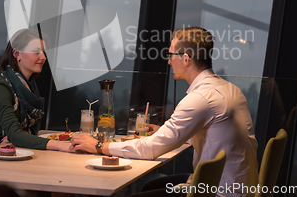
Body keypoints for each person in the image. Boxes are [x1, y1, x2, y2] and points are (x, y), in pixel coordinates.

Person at [71, 27, 258, 197]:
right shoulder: (230, 89)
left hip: (217, 192)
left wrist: (98, 146)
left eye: (171, 55)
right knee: (149, 187)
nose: (169, 61)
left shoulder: (201, 98)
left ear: (186, 58)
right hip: (237, 187)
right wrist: (162, 131)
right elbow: (215, 135)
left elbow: (151, 149)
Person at [0, 28, 72, 153]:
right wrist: (61, 145)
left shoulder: (28, 87)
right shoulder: (0, 87)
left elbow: (27, 131)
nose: (43, 57)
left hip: (13, 153)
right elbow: (15, 135)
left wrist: (21, 135)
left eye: (43, 52)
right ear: (17, 54)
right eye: (36, 52)